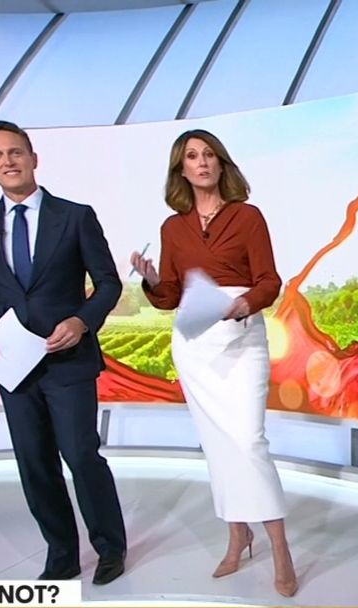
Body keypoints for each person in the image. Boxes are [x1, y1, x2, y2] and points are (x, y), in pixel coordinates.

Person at [130, 129, 298, 597]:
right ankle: (237, 535)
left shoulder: (248, 216)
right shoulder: (173, 228)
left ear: (221, 163)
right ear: (180, 169)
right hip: (195, 343)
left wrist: (244, 303)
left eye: (208, 155)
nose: (201, 162)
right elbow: (169, 296)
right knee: (218, 445)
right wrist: (150, 280)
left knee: (248, 441)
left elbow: (269, 280)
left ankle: (280, 548)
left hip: (241, 337)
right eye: (192, 156)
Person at [0, 120, 127, 585]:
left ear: (33, 158)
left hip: (67, 361)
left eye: (15, 152)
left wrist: (81, 321)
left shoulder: (75, 216)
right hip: (12, 363)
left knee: (81, 454)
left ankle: (110, 548)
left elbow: (108, 283)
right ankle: (62, 555)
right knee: (34, 462)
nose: (8, 161)